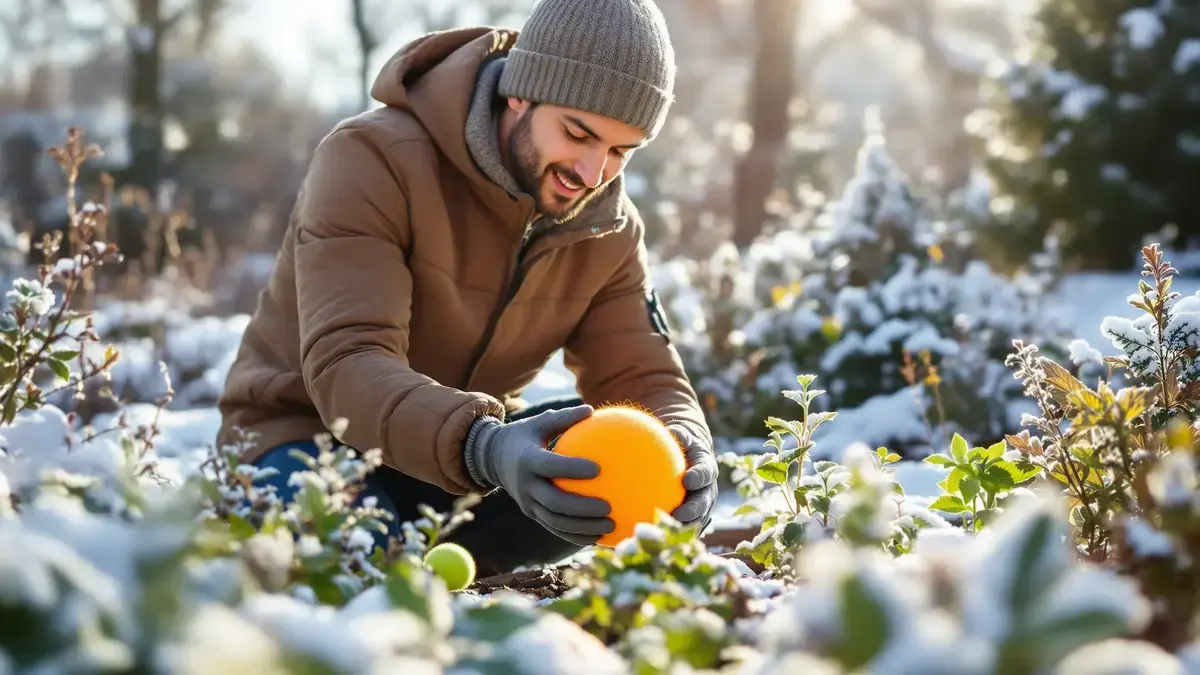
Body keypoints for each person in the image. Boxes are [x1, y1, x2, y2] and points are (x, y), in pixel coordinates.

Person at [215, 0, 718, 578]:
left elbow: (644, 375)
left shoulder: (609, 227)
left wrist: (683, 449)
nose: (591, 173)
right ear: (521, 93)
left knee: (587, 466)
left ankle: (436, 564)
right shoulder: (370, 159)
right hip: (305, 441)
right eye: (577, 133)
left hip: (466, 464)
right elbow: (348, 363)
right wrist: (484, 446)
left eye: (620, 152)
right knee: (362, 566)